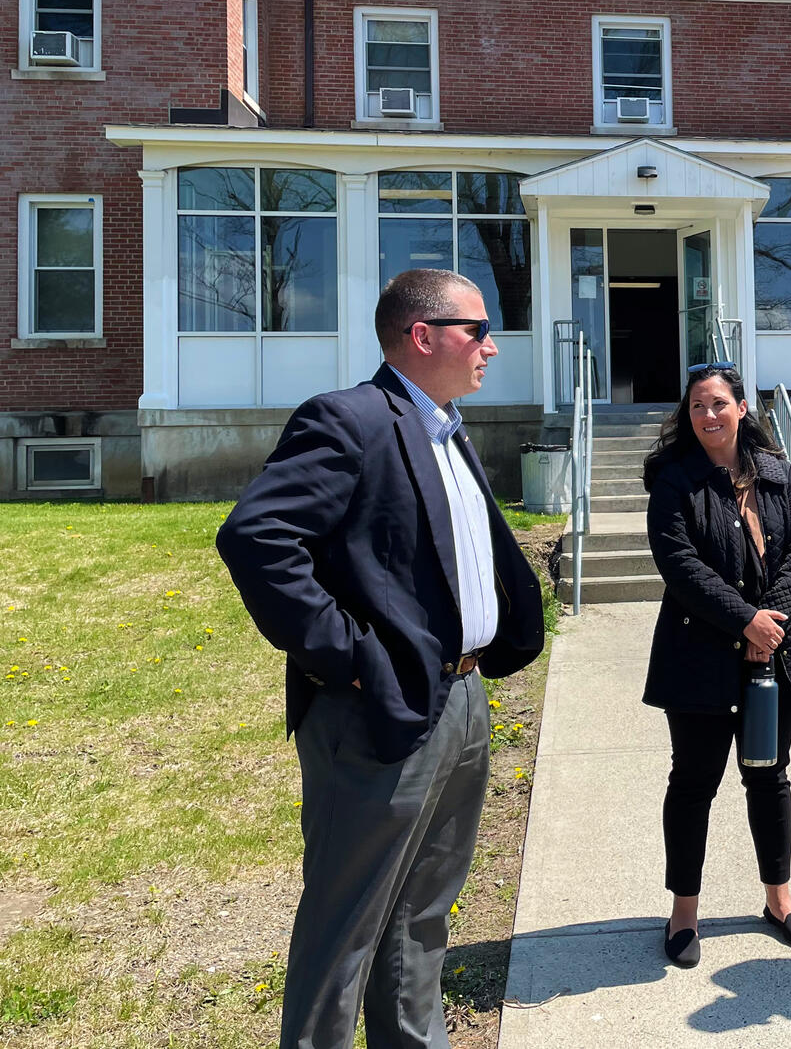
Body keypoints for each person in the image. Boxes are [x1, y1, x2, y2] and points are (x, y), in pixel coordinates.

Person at [217, 269, 546, 1049]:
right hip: (378, 710)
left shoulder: (446, 426)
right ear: (422, 336)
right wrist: (352, 658)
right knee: (347, 926)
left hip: (461, 701)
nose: (492, 347)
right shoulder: (351, 419)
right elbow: (256, 538)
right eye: (478, 329)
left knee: (423, 915)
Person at [641, 363, 791, 968]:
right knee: (693, 783)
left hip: (775, 653)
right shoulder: (673, 479)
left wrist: (771, 625)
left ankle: (778, 898)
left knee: (769, 775)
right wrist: (745, 620)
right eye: (697, 406)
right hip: (699, 656)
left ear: (742, 408)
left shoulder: (777, 473)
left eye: (718, 403)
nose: (708, 415)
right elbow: (680, 565)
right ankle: (684, 911)